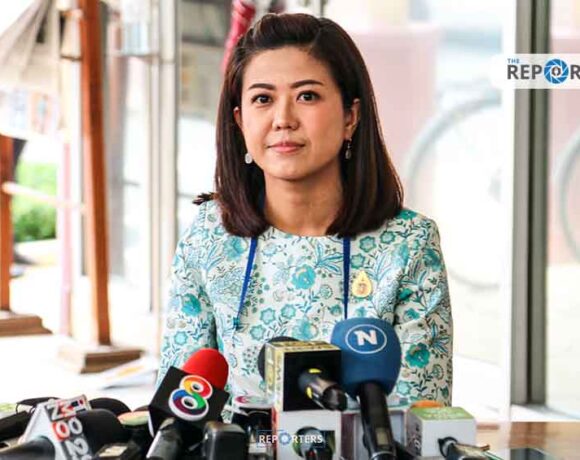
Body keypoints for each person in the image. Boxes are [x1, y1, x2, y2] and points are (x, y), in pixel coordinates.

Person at [158, 13, 452, 406]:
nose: (283, 119)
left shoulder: (409, 245)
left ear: (350, 116)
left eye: (307, 96)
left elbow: (421, 416)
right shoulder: (210, 234)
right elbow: (179, 406)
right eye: (263, 99)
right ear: (240, 121)